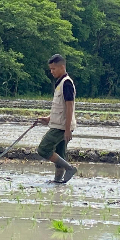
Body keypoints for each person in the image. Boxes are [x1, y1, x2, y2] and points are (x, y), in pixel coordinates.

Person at [37, 54, 77, 184]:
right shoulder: (60, 83)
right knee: (60, 152)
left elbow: (69, 106)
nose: (51, 71)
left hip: (61, 127)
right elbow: (60, 107)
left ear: (62, 67)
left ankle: (70, 168)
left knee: (43, 149)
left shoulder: (66, 84)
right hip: (59, 124)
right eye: (50, 69)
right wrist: (48, 118)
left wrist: (67, 129)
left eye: (54, 69)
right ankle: (58, 181)